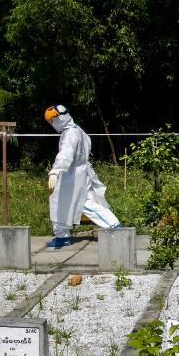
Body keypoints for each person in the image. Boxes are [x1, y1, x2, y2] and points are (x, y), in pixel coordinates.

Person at [44, 104, 120, 248]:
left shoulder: (70, 134)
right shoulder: (77, 130)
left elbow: (66, 153)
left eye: (52, 121)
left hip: (72, 174)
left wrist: (55, 170)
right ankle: (62, 235)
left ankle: (114, 226)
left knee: (81, 203)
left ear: (59, 118)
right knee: (62, 202)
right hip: (79, 171)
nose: (52, 124)